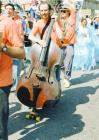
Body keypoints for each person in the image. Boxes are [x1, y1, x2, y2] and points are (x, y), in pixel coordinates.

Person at [0, 1, 25, 139]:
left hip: (1, 82)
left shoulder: (8, 23)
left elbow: (21, 53)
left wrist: (3, 47)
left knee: (0, 127)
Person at [55, 3, 76, 87]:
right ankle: (63, 73)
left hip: (69, 43)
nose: (63, 12)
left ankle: (67, 78)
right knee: (60, 62)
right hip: (59, 44)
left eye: (65, 11)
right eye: (61, 11)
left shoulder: (72, 19)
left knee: (70, 56)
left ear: (68, 12)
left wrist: (68, 3)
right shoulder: (57, 20)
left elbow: (73, 8)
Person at [5, 3, 24, 91]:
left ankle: (15, 86)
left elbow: (20, 35)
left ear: (13, 11)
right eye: (7, 9)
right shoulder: (2, 22)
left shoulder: (18, 22)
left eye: (10, 9)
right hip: (5, 49)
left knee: (16, 69)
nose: (8, 10)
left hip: (15, 48)